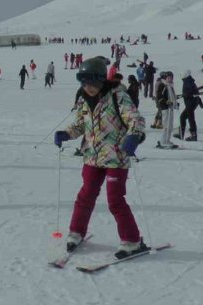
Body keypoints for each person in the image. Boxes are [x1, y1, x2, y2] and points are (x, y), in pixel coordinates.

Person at [53, 57, 148, 259]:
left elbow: (136, 119)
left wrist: (134, 136)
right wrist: (66, 134)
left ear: (101, 80)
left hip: (116, 156)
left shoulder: (118, 96)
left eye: (92, 83)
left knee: (115, 199)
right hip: (92, 156)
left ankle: (132, 241)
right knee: (86, 195)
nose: (88, 88)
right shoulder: (82, 98)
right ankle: (76, 232)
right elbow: (80, 124)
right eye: (84, 83)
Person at [177, 70, 202, 141]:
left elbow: (192, 92)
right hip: (191, 103)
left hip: (190, 103)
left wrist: (186, 95)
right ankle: (184, 134)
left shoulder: (188, 82)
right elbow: (195, 92)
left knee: (187, 118)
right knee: (186, 118)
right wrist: (199, 101)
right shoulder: (190, 81)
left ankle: (191, 135)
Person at [155, 71, 178, 149]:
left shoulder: (170, 85)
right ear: (165, 77)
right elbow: (159, 97)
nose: (170, 79)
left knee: (170, 125)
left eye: (171, 77)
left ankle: (167, 140)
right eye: (169, 77)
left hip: (170, 108)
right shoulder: (163, 85)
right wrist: (166, 102)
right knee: (166, 125)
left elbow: (172, 97)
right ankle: (163, 141)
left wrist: (175, 103)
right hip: (165, 108)